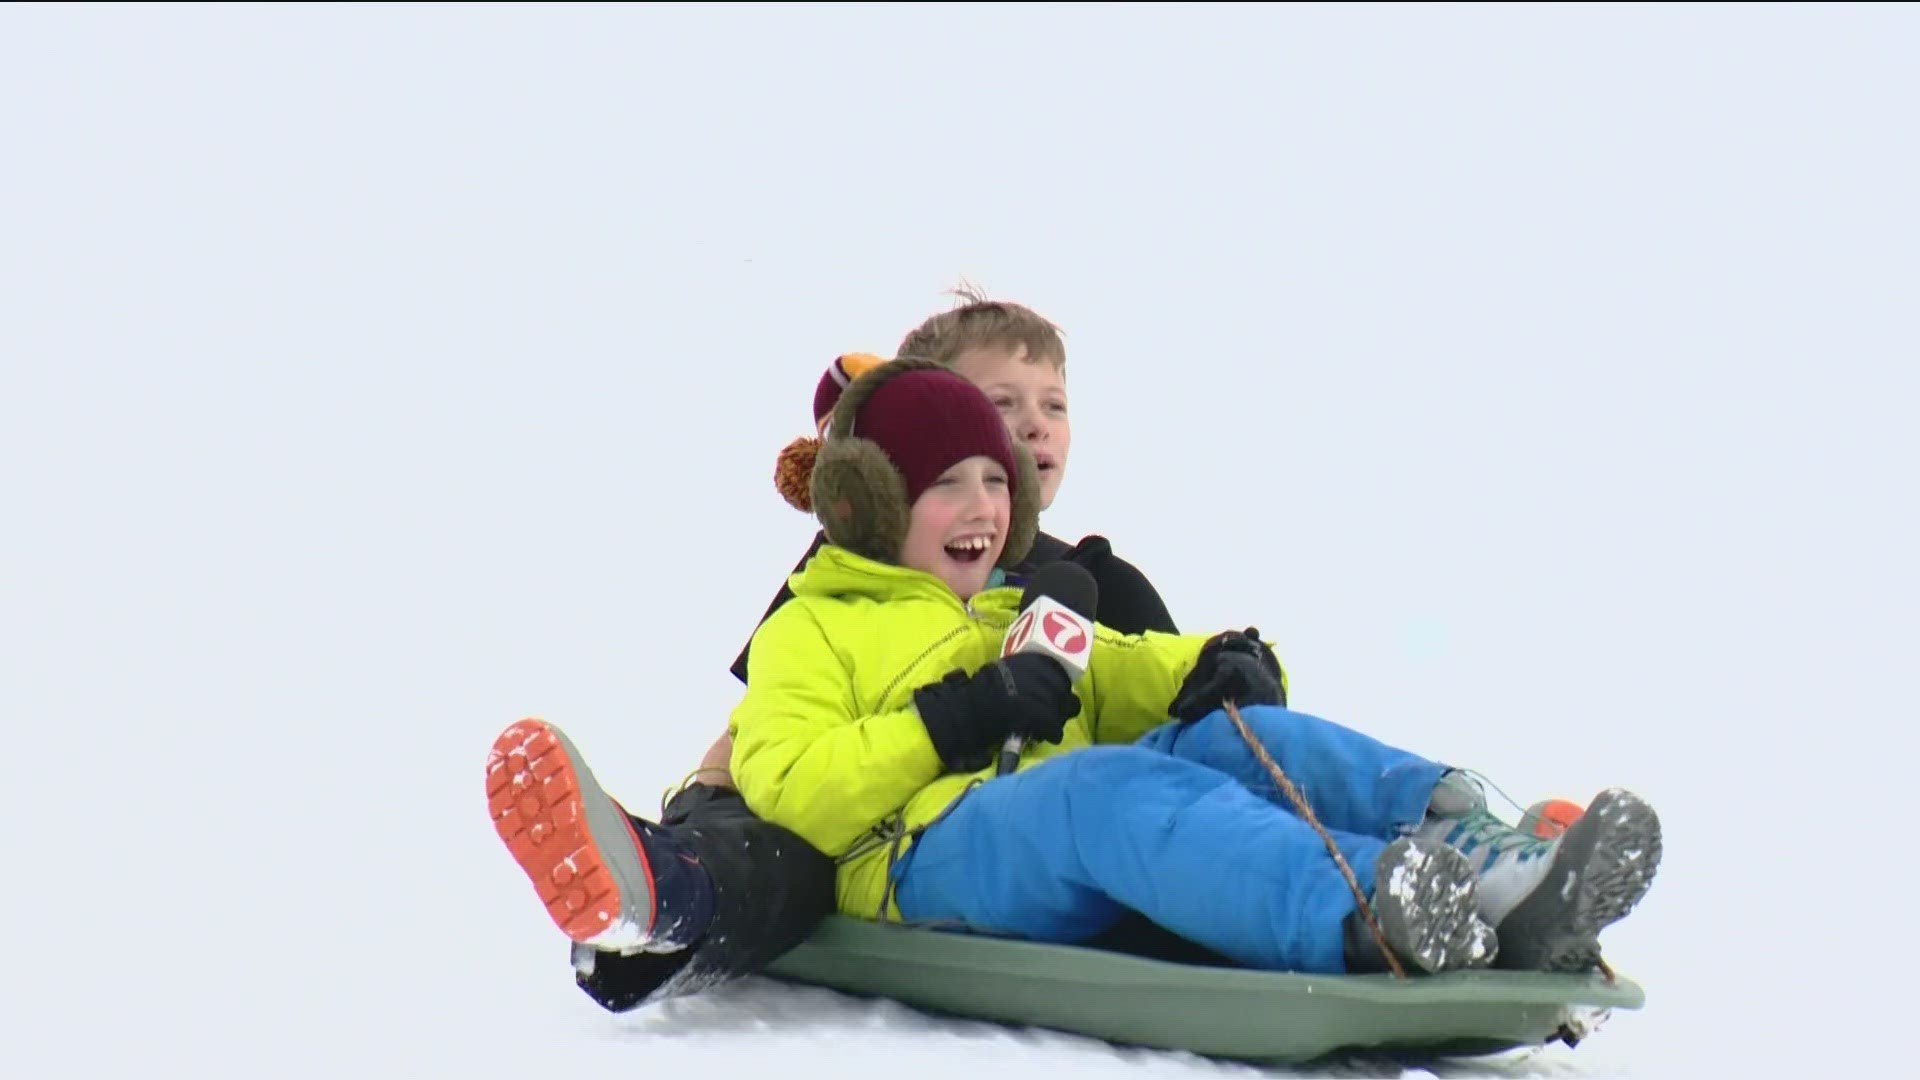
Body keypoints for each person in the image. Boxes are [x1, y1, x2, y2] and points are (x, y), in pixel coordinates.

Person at [492, 360, 1662, 985]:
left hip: (1023, 819)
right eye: (947, 484)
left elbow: (1127, 670)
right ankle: (1369, 909)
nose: (983, 506)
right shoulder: (815, 626)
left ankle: (1496, 861)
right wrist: (950, 723)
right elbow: (794, 785)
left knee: (1243, 743)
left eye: (998, 483)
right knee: (1107, 792)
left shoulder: (1018, 608)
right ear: (873, 505)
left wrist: (1224, 661)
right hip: (919, 855)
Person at [487, 295, 1188, 1011]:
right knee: (784, 856)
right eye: (998, 402)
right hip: (861, 817)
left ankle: (658, 911)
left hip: (1011, 836)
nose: (1032, 425)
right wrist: (712, 799)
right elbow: (765, 718)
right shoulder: (852, 573)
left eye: (1054, 406)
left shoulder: (1097, 585)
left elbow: (1167, 718)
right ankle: (658, 887)